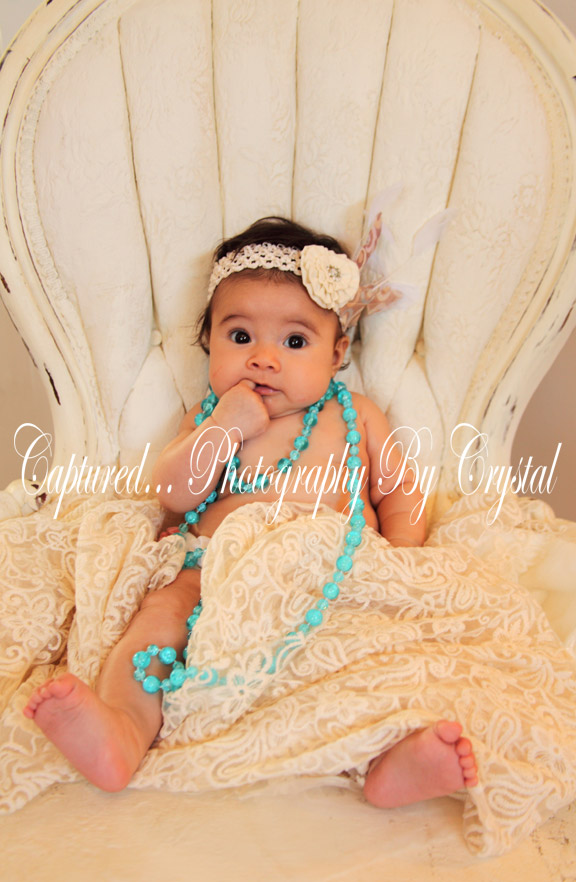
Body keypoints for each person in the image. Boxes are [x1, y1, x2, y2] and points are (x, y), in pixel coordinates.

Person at [23, 217, 478, 806]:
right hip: (212, 572)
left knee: (377, 649)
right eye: (240, 337)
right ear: (209, 343)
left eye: (295, 342)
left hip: (334, 574)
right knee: (158, 618)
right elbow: (174, 494)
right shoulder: (208, 418)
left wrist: (401, 558)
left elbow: (400, 490)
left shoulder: (356, 414)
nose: (263, 359)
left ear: (337, 352)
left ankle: (393, 756)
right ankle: (123, 726)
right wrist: (222, 428)